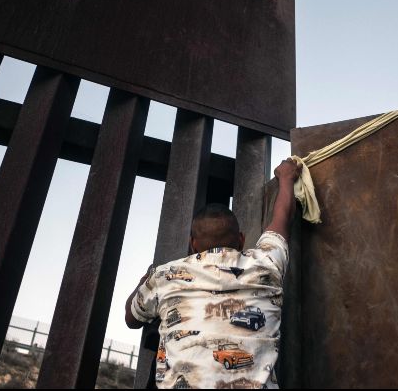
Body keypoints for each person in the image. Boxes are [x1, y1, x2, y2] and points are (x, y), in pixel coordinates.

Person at [125, 159, 301, 389]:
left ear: (192, 245)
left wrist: (144, 282)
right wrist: (286, 178)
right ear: (241, 240)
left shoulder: (165, 276)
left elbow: (131, 319)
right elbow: (282, 218)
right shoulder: (266, 264)